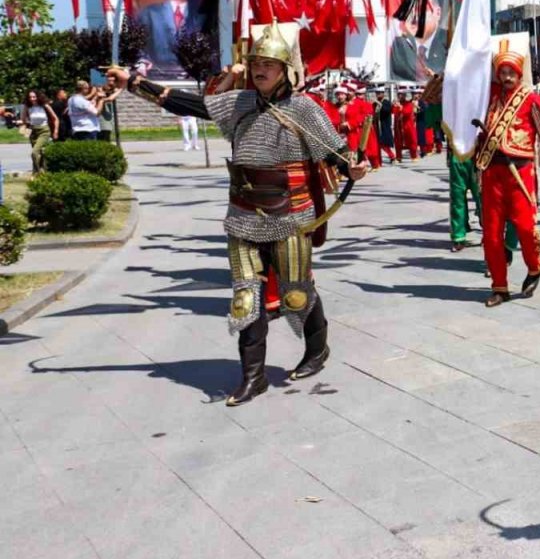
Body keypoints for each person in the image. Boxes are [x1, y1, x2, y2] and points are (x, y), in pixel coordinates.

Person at [106, 23, 368, 406]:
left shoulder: (305, 109)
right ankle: (253, 377)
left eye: (268, 64)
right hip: (244, 213)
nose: (259, 70)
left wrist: (352, 169)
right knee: (246, 297)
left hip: (291, 213)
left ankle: (317, 350)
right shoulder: (239, 103)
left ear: (285, 70)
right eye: (255, 63)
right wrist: (134, 82)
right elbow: (186, 104)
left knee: (296, 292)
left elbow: (336, 153)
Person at [474, 50, 540, 307]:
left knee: (525, 228)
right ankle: (499, 287)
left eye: (510, 72)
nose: (506, 77)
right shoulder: (490, 98)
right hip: (492, 172)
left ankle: (535, 267)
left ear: (518, 73)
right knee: (492, 234)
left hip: (520, 173)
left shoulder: (531, 99)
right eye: (502, 72)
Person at [136, 0, 205, 77]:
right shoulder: (151, 13)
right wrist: (142, 61)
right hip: (157, 74)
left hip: (191, 76)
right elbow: (138, 41)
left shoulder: (199, 16)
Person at [21, 89, 58, 173]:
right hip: (33, 131)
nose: (32, 99)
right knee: (39, 154)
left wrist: (55, 131)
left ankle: (37, 172)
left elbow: (55, 118)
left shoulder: (44, 105)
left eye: (34, 97)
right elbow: (24, 120)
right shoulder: (27, 106)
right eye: (30, 97)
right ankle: (42, 170)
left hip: (44, 131)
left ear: (38, 97)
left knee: (34, 153)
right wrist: (25, 131)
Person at [394, 87, 419, 161]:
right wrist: (395, 106)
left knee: (412, 141)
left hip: (408, 125)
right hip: (399, 126)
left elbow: (407, 113)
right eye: (399, 94)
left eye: (401, 94)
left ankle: (413, 156)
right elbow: (394, 112)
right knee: (398, 141)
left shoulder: (408, 104)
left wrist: (400, 107)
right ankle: (398, 157)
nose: (400, 96)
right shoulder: (397, 104)